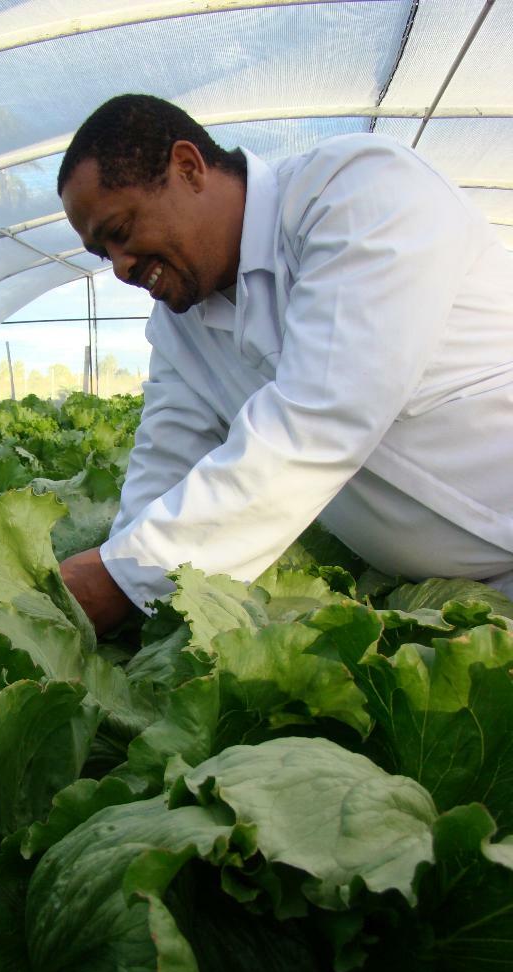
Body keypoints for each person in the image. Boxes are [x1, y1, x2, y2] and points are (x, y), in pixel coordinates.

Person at [56, 94, 513, 634]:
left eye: (121, 231)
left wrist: (119, 581)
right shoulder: (179, 328)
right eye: (103, 253)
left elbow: (322, 419)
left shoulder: (356, 191)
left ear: (188, 167)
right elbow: (163, 466)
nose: (121, 267)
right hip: (453, 604)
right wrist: (114, 579)